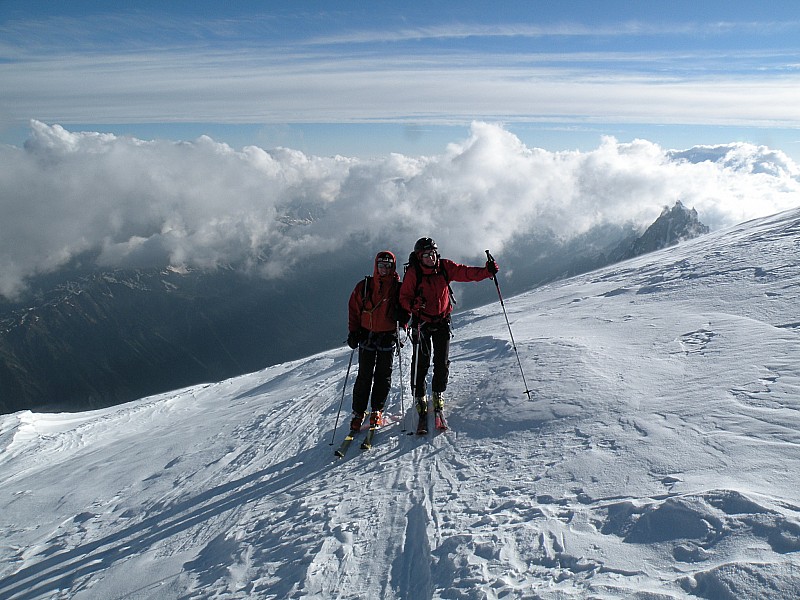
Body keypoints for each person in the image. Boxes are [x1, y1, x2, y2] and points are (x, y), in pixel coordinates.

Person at [399, 237, 499, 430]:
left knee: (441, 362)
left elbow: (466, 273)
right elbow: (404, 297)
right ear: (419, 257)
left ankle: (437, 394)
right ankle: (419, 397)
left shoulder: (445, 267)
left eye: (433, 254)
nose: (431, 258)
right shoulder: (414, 273)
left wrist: (487, 272)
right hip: (422, 323)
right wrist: (412, 305)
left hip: (442, 321)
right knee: (421, 362)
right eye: (427, 255)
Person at [347, 251, 409, 431]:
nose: (384, 269)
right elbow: (354, 309)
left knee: (383, 376)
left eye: (388, 266)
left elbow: (407, 309)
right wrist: (353, 332)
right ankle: (358, 412)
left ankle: (376, 410)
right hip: (367, 335)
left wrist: (404, 320)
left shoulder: (398, 288)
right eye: (381, 266)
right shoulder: (365, 287)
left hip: (387, 336)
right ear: (376, 266)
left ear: (393, 267)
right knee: (364, 376)